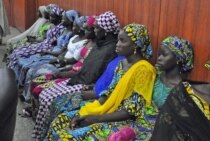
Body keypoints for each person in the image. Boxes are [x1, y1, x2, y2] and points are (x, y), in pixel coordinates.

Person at [43, 23, 156, 141]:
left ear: (135, 46)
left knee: (69, 137)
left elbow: (131, 111)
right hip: (108, 109)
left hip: (122, 119)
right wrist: (93, 108)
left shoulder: (144, 70)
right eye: (118, 40)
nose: (117, 44)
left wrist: (94, 118)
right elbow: (109, 92)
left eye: (122, 41)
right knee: (59, 122)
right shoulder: (122, 63)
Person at [32, 11, 120, 139]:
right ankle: (40, 134)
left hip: (87, 83)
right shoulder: (100, 44)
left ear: (106, 31)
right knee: (45, 94)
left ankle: (44, 135)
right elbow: (85, 67)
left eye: (97, 28)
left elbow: (93, 74)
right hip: (80, 77)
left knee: (50, 99)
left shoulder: (110, 49)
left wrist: (75, 78)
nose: (95, 31)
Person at [108, 35, 194, 140]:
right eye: (159, 54)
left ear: (178, 59)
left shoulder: (183, 90)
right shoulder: (151, 74)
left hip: (156, 132)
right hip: (132, 122)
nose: (159, 58)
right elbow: (133, 103)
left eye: (164, 55)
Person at [6, 5, 65, 79]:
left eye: (52, 16)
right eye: (50, 16)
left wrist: (50, 45)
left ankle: (15, 77)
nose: (50, 18)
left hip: (47, 47)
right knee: (16, 51)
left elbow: (57, 43)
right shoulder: (53, 26)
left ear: (58, 17)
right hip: (43, 44)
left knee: (19, 53)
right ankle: (11, 74)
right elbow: (46, 38)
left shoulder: (61, 28)